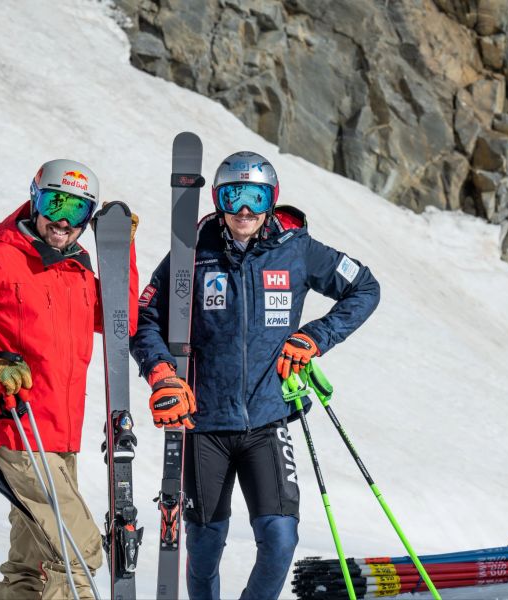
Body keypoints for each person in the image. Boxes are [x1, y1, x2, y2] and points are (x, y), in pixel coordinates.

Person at [130, 151, 380, 599]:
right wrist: (161, 373)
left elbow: (364, 287)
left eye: (256, 196)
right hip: (202, 425)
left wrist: (317, 337)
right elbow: (146, 316)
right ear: (218, 199)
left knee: (281, 540)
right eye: (234, 196)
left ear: (271, 199)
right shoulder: (192, 251)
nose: (244, 210)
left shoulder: (297, 248)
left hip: (268, 421)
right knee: (205, 548)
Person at [0, 159, 138, 599]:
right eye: (55, 203)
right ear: (35, 199)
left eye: (77, 212)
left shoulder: (76, 273)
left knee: (29, 565)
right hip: (16, 429)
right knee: (76, 551)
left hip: (60, 437)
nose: (62, 221)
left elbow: (121, 321)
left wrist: (119, 255)